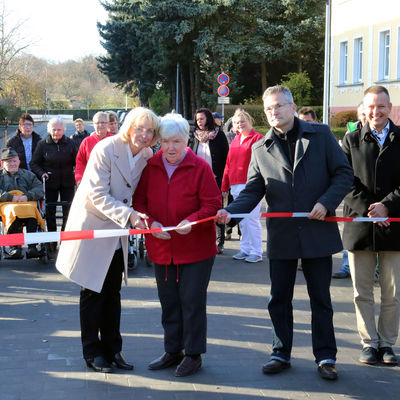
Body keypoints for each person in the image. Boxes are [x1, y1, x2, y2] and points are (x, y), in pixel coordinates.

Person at [216, 85, 353, 381]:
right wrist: (231, 212)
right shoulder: (260, 147)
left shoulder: (321, 135)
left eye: (279, 106)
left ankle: (326, 356)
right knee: (279, 297)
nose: (274, 112)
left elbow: (344, 174)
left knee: (321, 299)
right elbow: (253, 190)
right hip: (282, 235)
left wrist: (326, 203)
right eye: (268, 109)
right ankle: (280, 352)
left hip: (318, 230)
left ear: (292, 107)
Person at [55, 107, 160, 373]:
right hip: (94, 226)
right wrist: (131, 215)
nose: (144, 135)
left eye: (150, 131)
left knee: (113, 292)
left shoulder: (147, 154)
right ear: (128, 127)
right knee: (92, 291)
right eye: (140, 129)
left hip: (118, 230)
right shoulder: (105, 149)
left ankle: (114, 349)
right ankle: (92, 352)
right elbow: (96, 195)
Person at [133, 113, 221, 377]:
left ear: (187, 142)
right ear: (159, 141)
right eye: (166, 141)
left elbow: (213, 205)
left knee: (192, 301)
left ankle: (193, 354)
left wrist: (192, 221)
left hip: (196, 249)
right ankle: (173, 350)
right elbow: (139, 203)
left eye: (178, 142)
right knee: (169, 301)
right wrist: (151, 223)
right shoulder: (151, 166)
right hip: (162, 248)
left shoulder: (200, 167)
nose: (171, 148)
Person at [342, 85, 400, 366]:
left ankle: (388, 344)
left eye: (381, 106)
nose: (375, 112)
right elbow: (343, 179)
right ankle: (369, 343)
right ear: (363, 109)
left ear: (390, 108)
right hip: (360, 226)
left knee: (393, 292)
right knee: (361, 292)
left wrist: (388, 205)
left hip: (395, 226)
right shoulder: (351, 140)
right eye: (371, 107)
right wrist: (370, 207)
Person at [221, 108, 264, 263]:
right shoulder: (234, 140)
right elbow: (228, 164)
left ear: (249, 121)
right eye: (237, 123)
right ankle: (245, 248)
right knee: (242, 220)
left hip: (252, 185)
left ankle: (257, 251)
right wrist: (224, 185)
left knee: (251, 219)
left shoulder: (258, 138)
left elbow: (263, 163)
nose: (240, 125)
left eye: (242, 121)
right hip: (235, 184)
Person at [30, 117, 77, 256]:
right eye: (54, 129)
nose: (56, 132)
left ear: (64, 130)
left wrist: (76, 172)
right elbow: (34, 163)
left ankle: (65, 239)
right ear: (49, 130)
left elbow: (78, 161)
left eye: (59, 129)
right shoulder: (42, 144)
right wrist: (42, 173)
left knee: (68, 212)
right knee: (50, 213)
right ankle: (51, 242)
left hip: (68, 182)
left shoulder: (70, 143)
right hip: (50, 183)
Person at [333, 102, 367, 279]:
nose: (364, 116)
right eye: (361, 113)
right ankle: (347, 266)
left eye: (366, 113)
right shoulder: (350, 134)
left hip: (375, 200)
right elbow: (344, 169)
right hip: (353, 196)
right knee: (351, 233)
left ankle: (375, 270)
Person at [191, 107, 229, 254]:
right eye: (197, 119)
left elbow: (227, 158)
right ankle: (200, 240)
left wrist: (226, 180)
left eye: (202, 118)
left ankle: (219, 242)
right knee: (198, 208)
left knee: (218, 208)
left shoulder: (219, 135)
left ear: (208, 118)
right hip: (198, 180)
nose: (199, 122)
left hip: (216, 178)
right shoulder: (194, 136)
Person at [0, 147, 44, 259]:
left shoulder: (28, 175)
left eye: (14, 161)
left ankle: (32, 247)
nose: (12, 164)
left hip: (26, 202)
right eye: (9, 161)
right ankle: (14, 248)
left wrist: (27, 196)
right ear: (2, 163)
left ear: (19, 161)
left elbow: (39, 188)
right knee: (13, 211)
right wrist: (10, 197)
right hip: (7, 204)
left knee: (31, 210)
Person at [75, 112, 114, 186]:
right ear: (93, 124)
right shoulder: (86, 141)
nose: (100, 125)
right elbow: (80, 162)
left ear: (107, 124)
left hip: (112, 184)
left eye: (103, 122)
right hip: (91, 183)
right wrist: (79, 179)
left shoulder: (115, 141)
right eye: (97, 123)